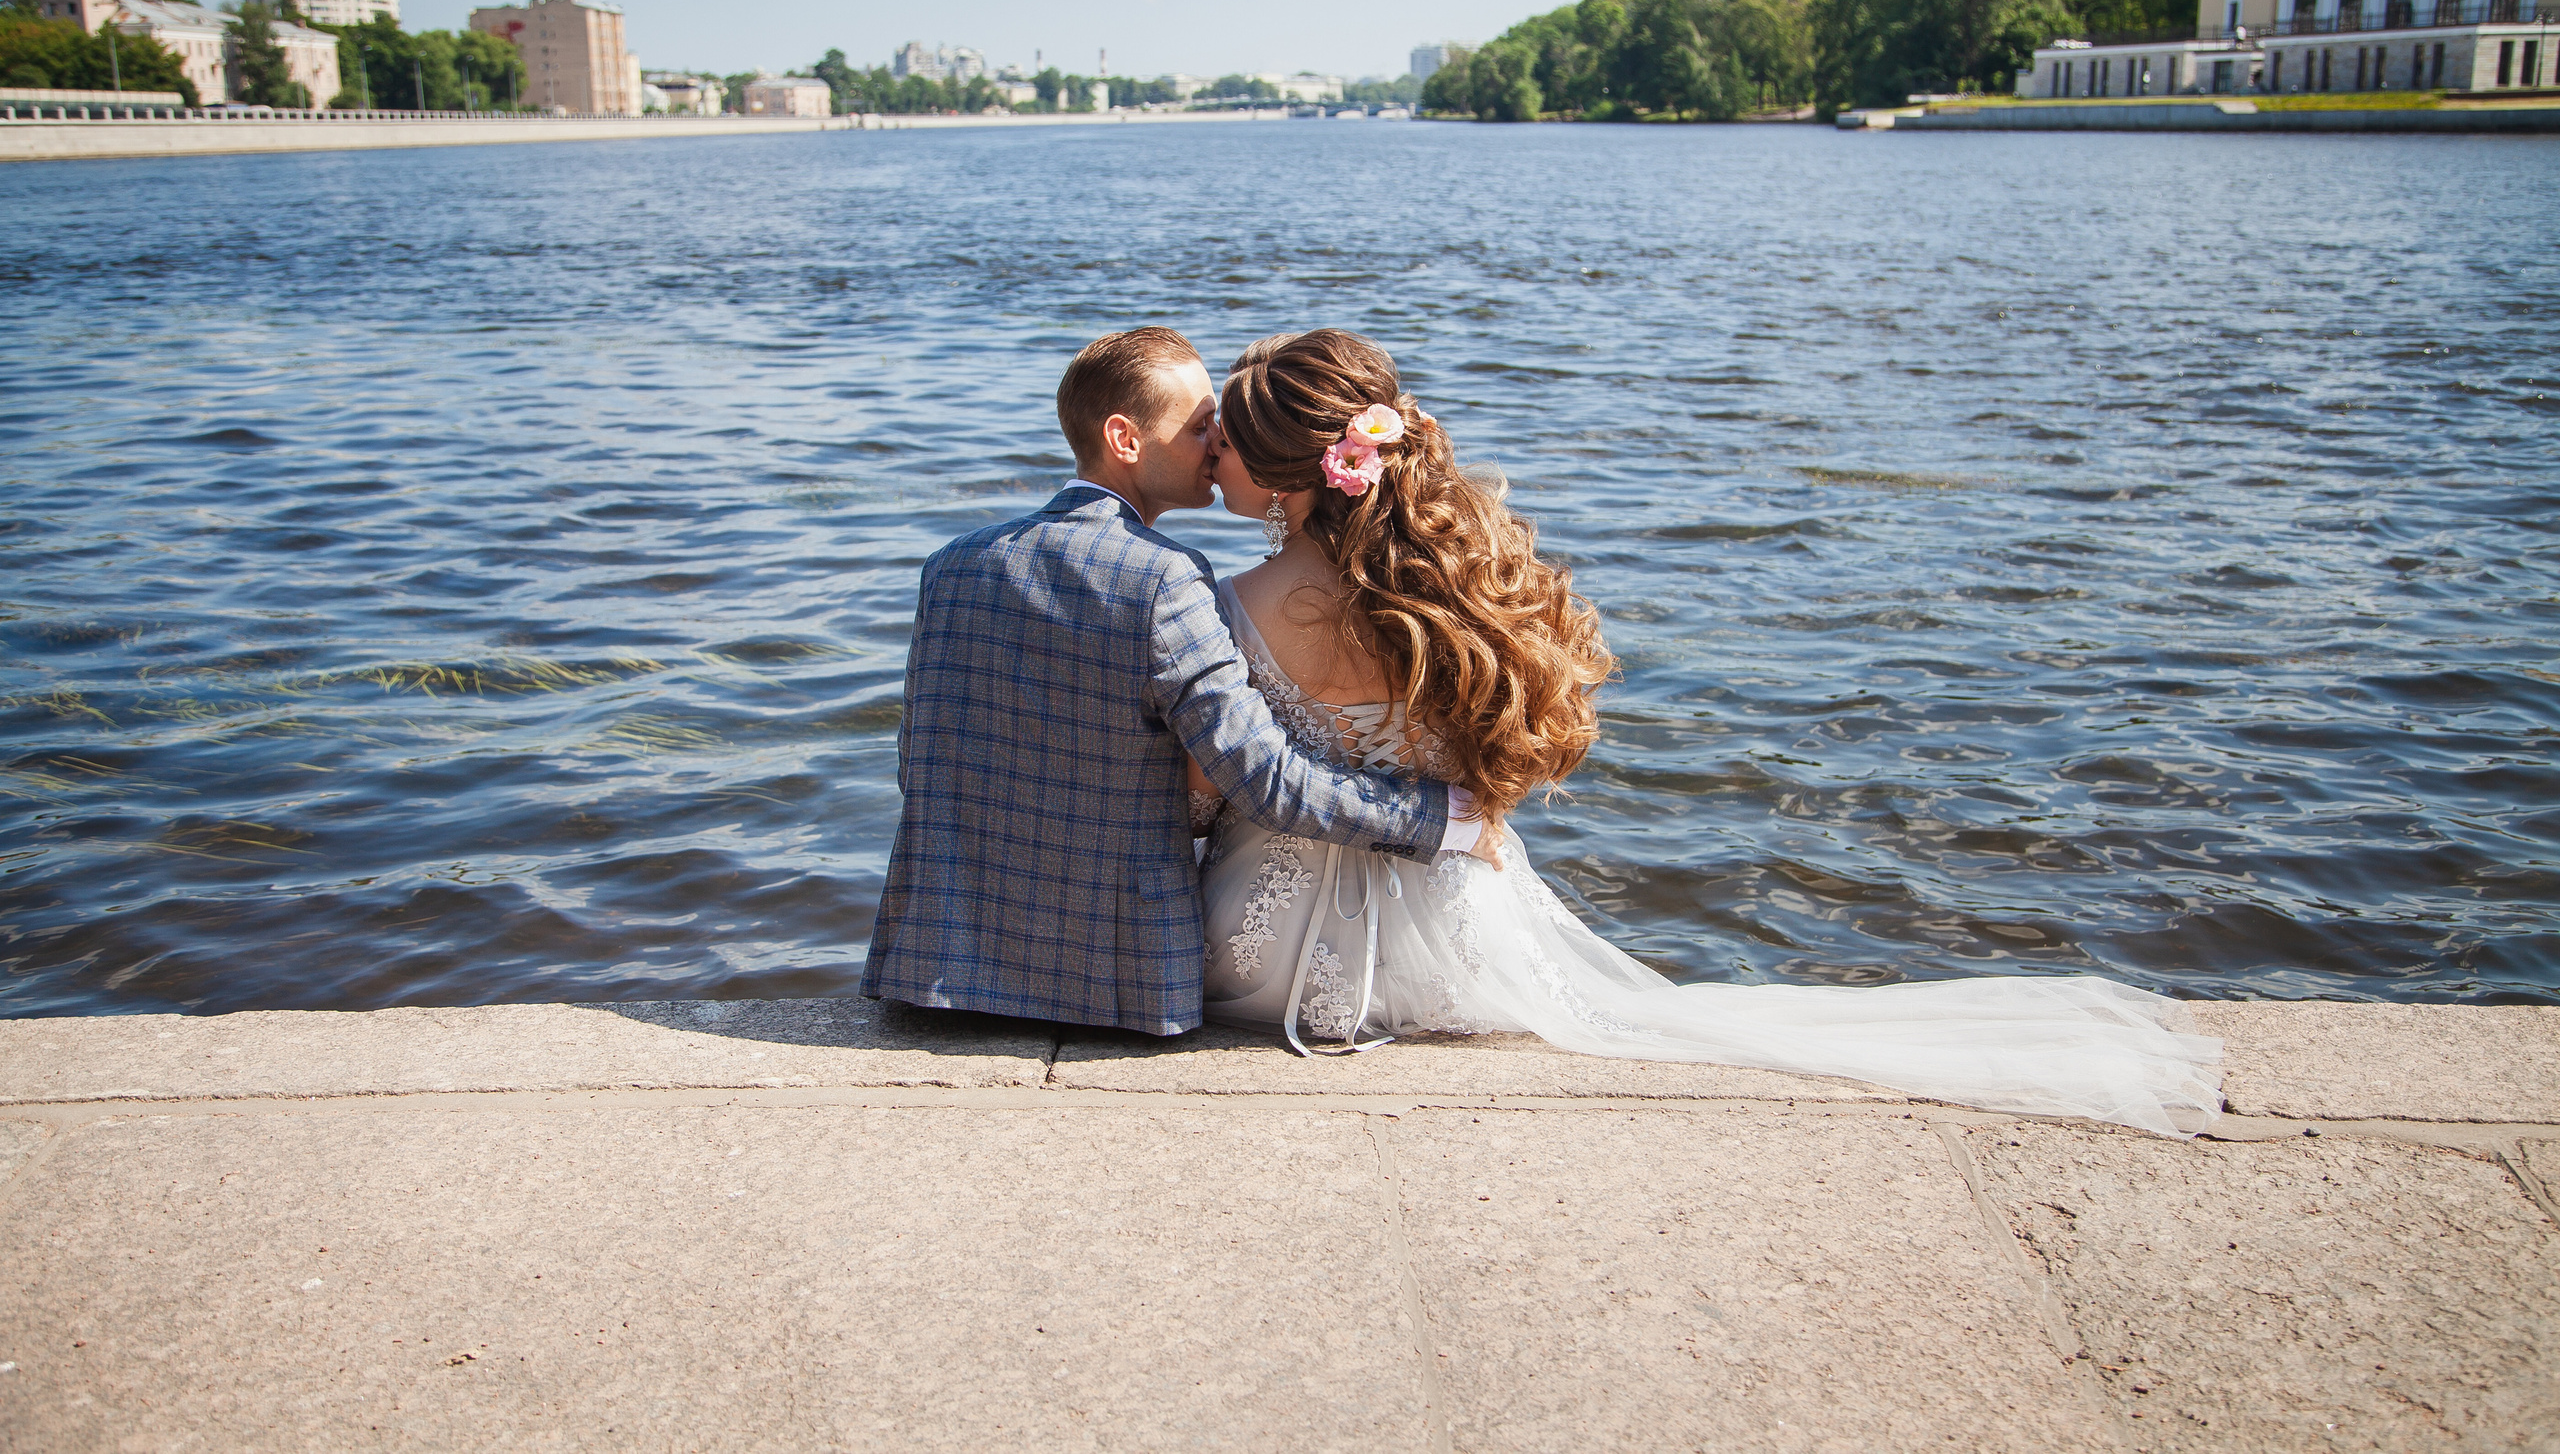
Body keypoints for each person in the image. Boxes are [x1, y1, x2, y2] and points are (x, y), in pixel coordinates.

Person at [1193, 329, 2223, 1136]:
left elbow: (1214, 786)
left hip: (1259, 952)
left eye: (1226, 441)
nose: (1211, 455)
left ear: (1287, 477)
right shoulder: (1458, 591)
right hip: (1453, 936)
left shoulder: (1231, 603)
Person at [861, 327, 1498, 1037]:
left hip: (935, 970)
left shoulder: (949, 564)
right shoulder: (1164, 576)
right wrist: (1439, 818)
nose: (1221, 445)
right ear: (1125, 439)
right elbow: (1263, 780)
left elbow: (916, 762)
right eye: (1201, 427)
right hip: (1114, 986)